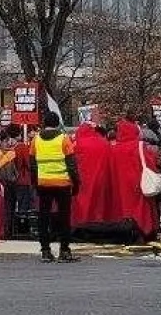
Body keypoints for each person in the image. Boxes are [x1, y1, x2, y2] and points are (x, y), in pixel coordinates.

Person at [31, 111, 80, 262]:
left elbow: (32, 165)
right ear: (57, 123)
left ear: (44, 123)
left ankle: (45, 251)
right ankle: (64, 250)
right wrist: (76, 182)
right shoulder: (64, 139)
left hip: (43, 183)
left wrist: (35, 183)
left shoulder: (35, 140)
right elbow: (71, 164)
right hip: (62, 183)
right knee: (64, 217)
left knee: (43, 217)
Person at [108, 118, 160, 243]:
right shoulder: (139, 146)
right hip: (138, 184)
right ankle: (144, 232)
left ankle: (127, 233)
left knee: (124, 209)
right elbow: (150, 162)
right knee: (141, 209)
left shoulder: (114, 148)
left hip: (120, 185)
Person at [71, 119, 113, 230]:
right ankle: (98, 224)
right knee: (99, 203)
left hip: (81, 180)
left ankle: (81, 225)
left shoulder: (76, 144)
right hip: (101, 179)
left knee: (81, 204)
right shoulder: (104, 143)